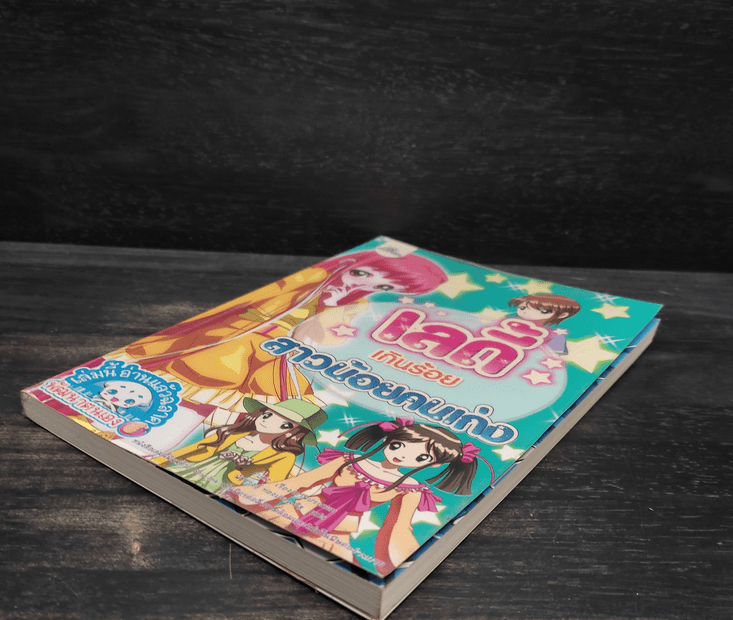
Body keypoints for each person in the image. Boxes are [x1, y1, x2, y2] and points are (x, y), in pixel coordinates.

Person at [120, 245, 449, 415]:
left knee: (246, 404)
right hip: (240, 336)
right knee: (205, 373)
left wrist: (334, 325)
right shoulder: (312, 278)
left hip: (275, 354)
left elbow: (319, 338)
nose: (366, 284)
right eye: (363, 274)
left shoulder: (357, 305)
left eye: (385, 286)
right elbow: (259, 300)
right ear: (352, 263)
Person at [232, 419, 486, 575]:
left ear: (434, 464)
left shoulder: (410, 489)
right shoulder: (349, 461)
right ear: (390, 439)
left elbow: (398, 526)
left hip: (337, 532)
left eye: (420, 457)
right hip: (299, 510)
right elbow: (302, 481)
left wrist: (406, 560)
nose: (400, 455)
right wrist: (250, 494)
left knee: (335, 569)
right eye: (398, 445)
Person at [153, 398, 327, 494]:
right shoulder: (233, 432)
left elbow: (274, 484)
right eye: (267, 415)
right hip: (186, 469)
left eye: (284, 424)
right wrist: (159, 461)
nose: (267, 422)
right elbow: (194, 448)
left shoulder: (284, 455)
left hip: (219, 486)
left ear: (294, 432)